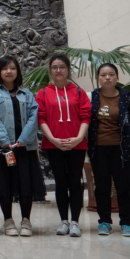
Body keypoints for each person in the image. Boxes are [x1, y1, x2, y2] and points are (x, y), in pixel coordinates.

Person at [0, 56, 46, 236]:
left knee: (26, 183)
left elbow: (34, 117)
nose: (9, 71)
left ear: (18, 71)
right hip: (2, 147)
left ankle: (26, 220)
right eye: (5, 68)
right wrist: (5, 140)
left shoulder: (26, 94)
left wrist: (23, 139)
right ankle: (8, 221)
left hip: (24, 147)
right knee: (5, 184)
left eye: (12, 68)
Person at [36, 53, 91, 237]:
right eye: (54, 67)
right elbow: (41, 118)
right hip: (53, 145)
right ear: (50, 71)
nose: (58, 70)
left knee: (75, 182)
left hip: (77, 144)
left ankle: (75, 221)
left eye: (62, 67)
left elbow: (85, 117)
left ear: (68, 70)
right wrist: (53, 139)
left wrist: (78, 138)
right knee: (60, 182)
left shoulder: (79, 92)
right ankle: (63, 221)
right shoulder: (43, 93)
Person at [87, 63, 130, 237]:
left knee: (123, 187)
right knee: (102, 187)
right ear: (98, 78)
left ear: (117, 77)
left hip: (121, 149)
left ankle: (126, 223)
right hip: (98, 149)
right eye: (103, 75)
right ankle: (104, 221)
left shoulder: (127, 97)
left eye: (111, 74)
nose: (107, 78)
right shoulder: (92, 97)